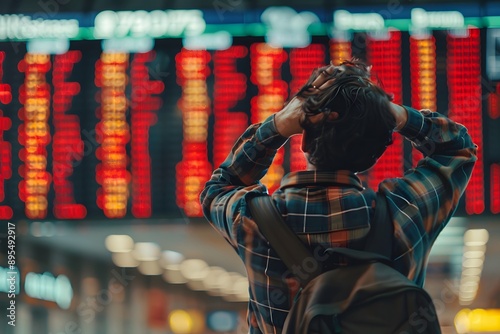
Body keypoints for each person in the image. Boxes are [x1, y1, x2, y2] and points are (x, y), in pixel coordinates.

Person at [200, 59, 477, 333]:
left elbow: (219, 187)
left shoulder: (254, 221)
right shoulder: (404, 212)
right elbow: (456, 148)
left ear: (304, 140)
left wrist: (277, 126)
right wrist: (390, 114)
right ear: (376, 152)